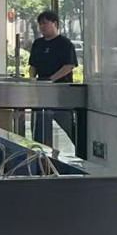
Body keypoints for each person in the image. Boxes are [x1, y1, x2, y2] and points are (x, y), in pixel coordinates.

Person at [28, 10, 79, 145]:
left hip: (61, 93)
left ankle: (82, 151)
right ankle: (42, 154)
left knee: (70, 128)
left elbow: (69, 65)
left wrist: (51, 80)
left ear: (55, 24)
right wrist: (32, 79)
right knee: (40, 130)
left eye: (45, 23)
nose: (42, 27)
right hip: (41, 93)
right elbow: (33, 66)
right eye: (40, 24)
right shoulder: (38, 44)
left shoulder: (65, 43)